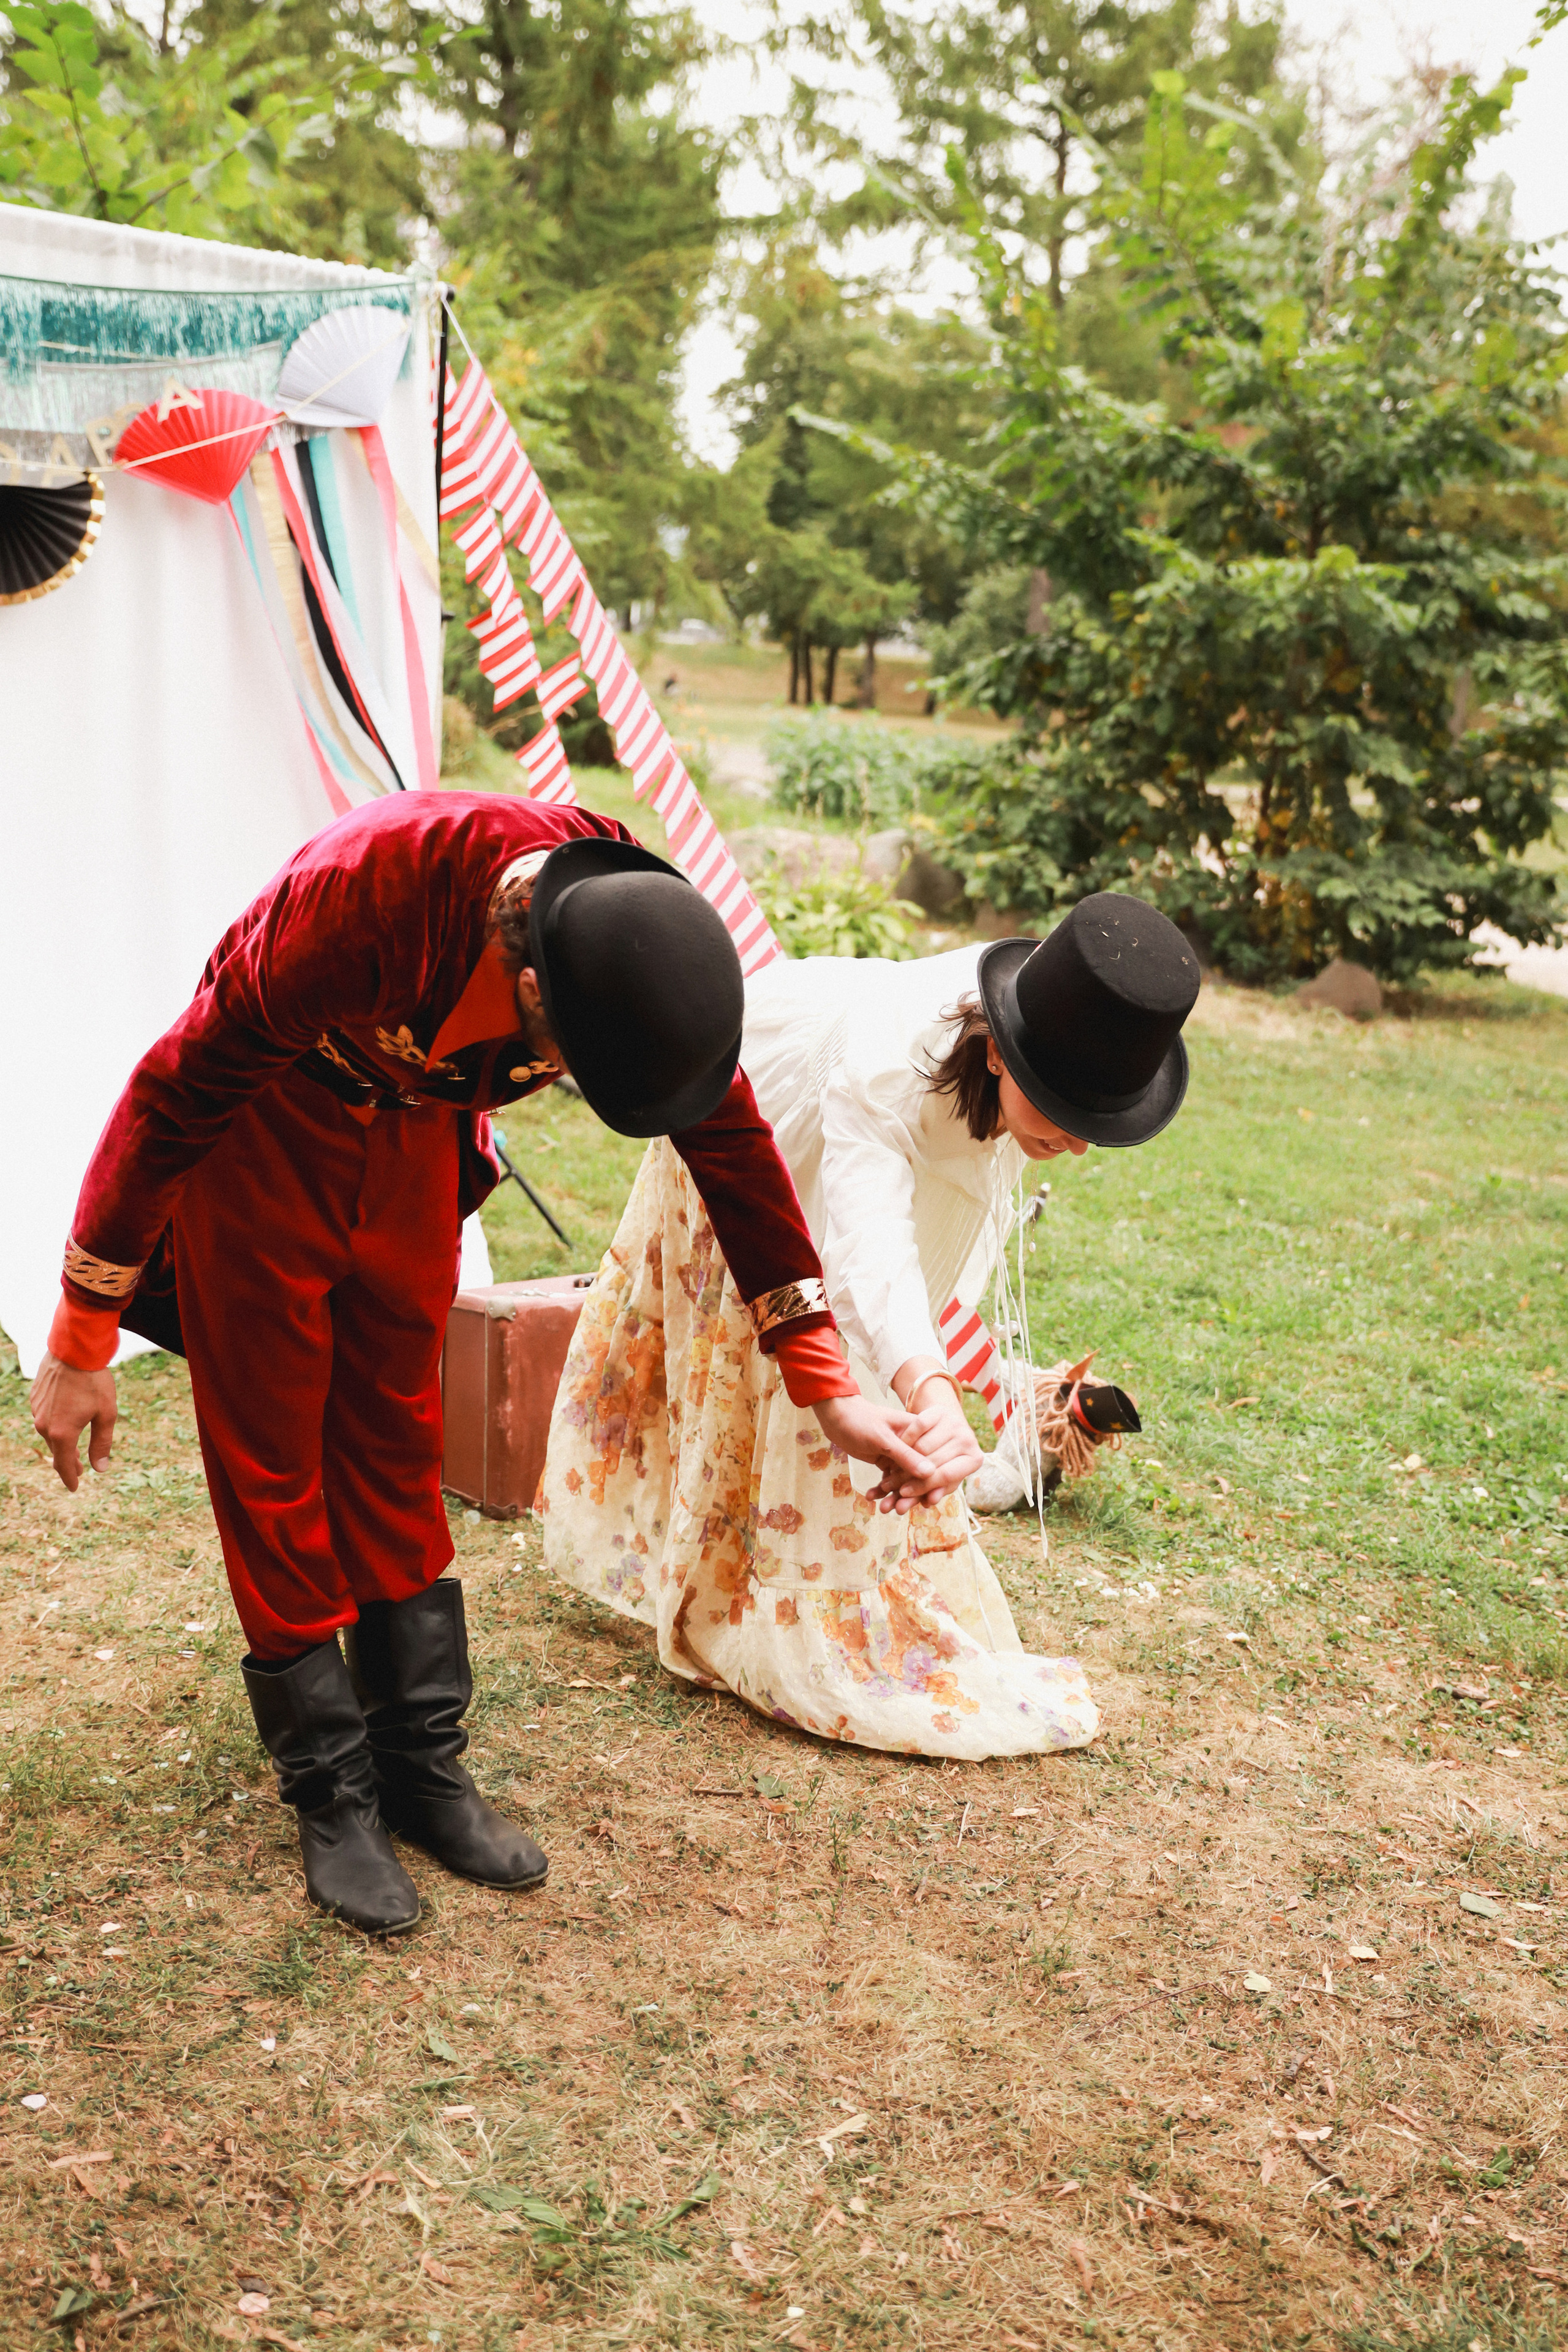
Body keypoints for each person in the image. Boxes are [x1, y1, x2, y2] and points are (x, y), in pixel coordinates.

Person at [29, 794, 936, 1934]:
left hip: (412, 1144)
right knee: (272, 1453)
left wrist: (824, 1377)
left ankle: (422, 1763)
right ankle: (334, 1793)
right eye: (562, 1062)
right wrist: (79, 1334)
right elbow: (178, 1088)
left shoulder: (631, 926)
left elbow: (727, 1136)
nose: (556, 1079)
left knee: (397, 1433)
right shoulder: (361, 907)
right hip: (270, 1129)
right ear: (527, 988)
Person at [543, 892, 1200, 1760]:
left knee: (871, 1367)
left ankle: (839, 1561)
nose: (1077, 1148)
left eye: (1095, 1124)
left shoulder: (1054, 1017)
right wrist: (928, 1387)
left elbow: (915, 1253)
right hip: (769, 1124)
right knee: (784, 1356)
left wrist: (921, 1380)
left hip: (893, 1139)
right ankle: (742, 1590)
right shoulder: (891, 1063)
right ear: (1000, 1052)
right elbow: (869, 1249)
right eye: (1065, 1115)